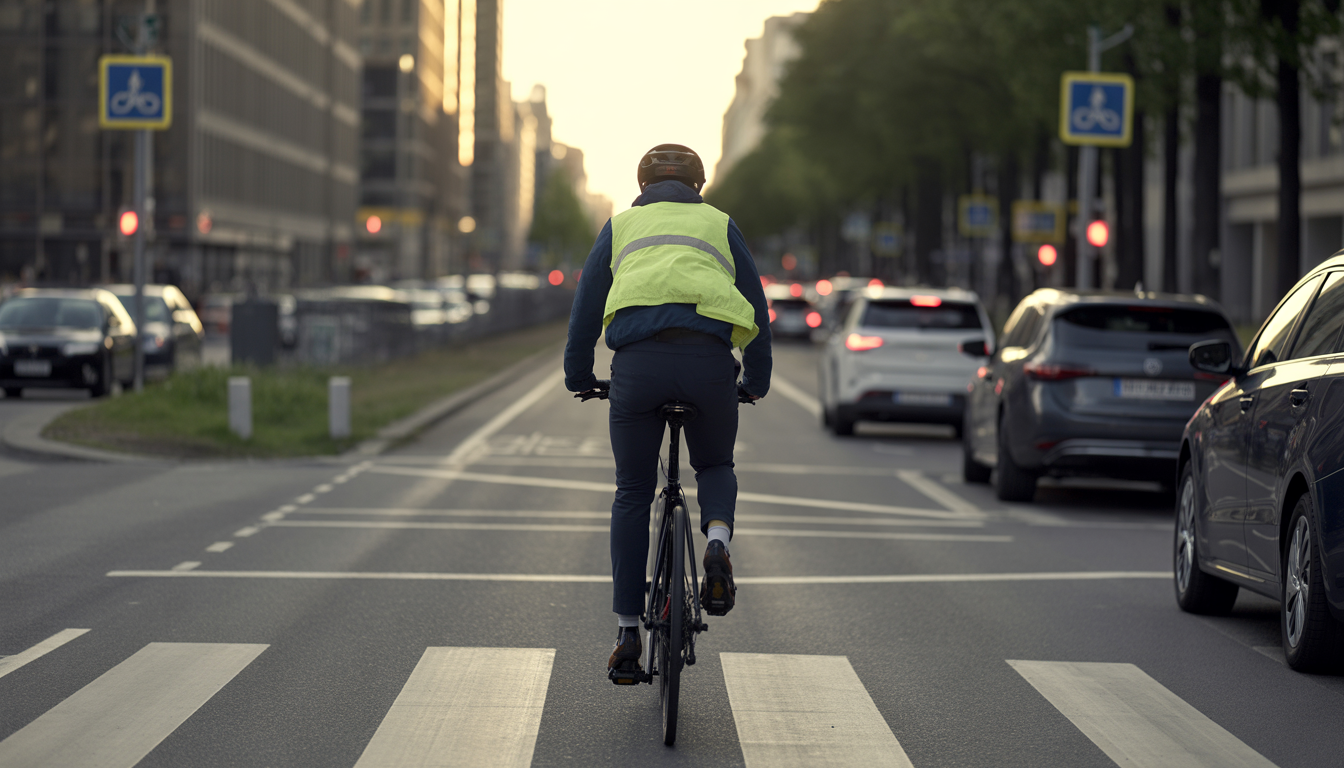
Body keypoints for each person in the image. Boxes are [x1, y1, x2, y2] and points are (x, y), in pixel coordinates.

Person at [564, 144, 772, 680]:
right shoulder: (720, 224)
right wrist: (756, 380)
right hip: (707, 364)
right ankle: (718, 546)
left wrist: (579, 376)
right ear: (698, 186)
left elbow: (586, 307)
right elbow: (756, 305)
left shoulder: (620, 228)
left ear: (642, 186)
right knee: (715, 466)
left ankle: (629, 632)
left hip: (637, 367)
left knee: (632, 491)